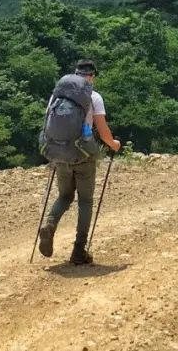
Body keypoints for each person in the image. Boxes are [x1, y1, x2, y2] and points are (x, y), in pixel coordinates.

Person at [37, 60, 121, 265]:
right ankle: (78, 250)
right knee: (85, 201)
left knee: (65, 195)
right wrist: (114, 144)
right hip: (83, 155)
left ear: (75, 74)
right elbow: (102, 130)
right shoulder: (94, 97)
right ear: (91, 76)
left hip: (59, 154)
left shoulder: (57, 96)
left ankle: (50, 224)